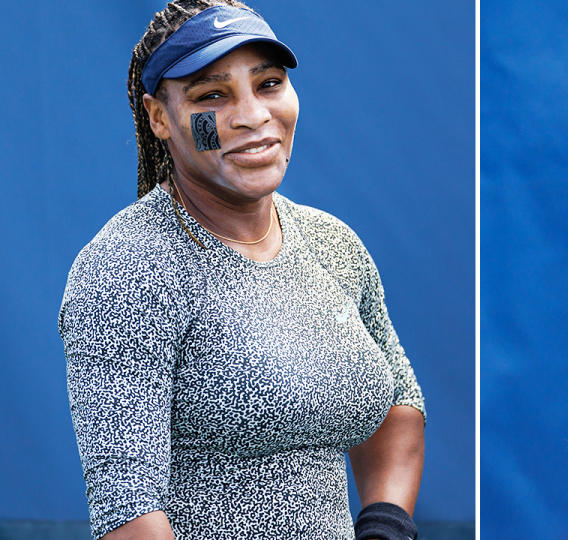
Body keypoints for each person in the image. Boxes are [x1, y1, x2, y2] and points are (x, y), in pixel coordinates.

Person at [58, 2, 425, 539]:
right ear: (159, 116)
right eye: (212, 95)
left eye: (269, 84)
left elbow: (397, 402)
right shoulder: (126, 270)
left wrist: (385, 528)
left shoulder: (332, 244)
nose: (253, 115)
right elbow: (129, 514)